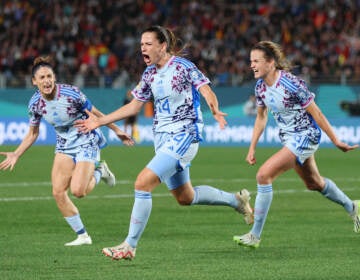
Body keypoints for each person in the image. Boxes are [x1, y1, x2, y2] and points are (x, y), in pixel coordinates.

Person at [75, 25, 253, 260]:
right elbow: (134, 106)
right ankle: (236, 200)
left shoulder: (183, 67)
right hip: (163, 138)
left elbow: (206, 90)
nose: (143, 48)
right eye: (141, 44)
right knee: (185, 197)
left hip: (184, 134)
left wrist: (215, 109)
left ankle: (129, 246)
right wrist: (101, 121)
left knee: (142, 183)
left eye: (148, 44)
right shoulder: (149, 74)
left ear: (162, 46)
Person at [233, 41, 360, 248]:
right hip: (289, 138)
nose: (252, 65)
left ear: (271, 62)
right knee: (314, 183)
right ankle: (353, 206)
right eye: (250, 61)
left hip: (305, 135)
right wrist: (252, 147)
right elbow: (261, 117)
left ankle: (254, 235)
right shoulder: (260, 87)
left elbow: (316, 113)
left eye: (256, 61)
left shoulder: (292, 84)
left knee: (263, 176)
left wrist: (336, 140)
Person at [0, 56, 134, 246]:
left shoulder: (71, 94)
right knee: (58, 192)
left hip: (86, 137)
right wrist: (16, 153)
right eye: (42, 78)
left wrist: (118, 130)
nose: (46, 81)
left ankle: (99, 171)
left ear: (54, 77)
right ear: (34, 81)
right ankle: (83, 236)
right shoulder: (35, 104)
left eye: (49, 76)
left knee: (78, 191)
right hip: (64, 144)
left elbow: (96, 113)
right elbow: (33, 133)